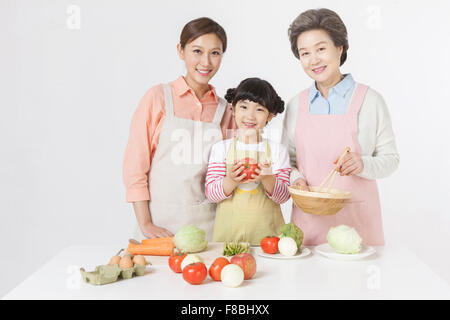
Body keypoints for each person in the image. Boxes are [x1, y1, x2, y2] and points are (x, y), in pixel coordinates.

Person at [282, 8, 399, 245]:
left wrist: (363, 163)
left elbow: (391, 159)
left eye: (321, 49)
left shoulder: (370, 100)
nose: (313, 60)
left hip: (357, 225)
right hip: (308, 224)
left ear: (340, 48)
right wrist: (296, 179)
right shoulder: (296, 105)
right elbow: (287, 161)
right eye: (305, 53)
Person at [123, 17, 235, 240]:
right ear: (180, 51)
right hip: (158, 227)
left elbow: (230, 173)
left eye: (215, 53)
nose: (206, 62)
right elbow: (135, 167)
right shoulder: (158, 98)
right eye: (197, 51)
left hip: (209, 230)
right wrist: (145, 223)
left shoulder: (226, 111)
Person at [206, 78, 291, 245]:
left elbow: (284, 197)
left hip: (268, 240)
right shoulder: (221, 149)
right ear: (233, 110)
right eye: (244, 107)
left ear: (270, 116)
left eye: (260, 109)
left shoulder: (278, 151)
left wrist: (267, 178)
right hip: (228, 239)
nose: (250, 116)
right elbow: (211, 194)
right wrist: (231, 180)